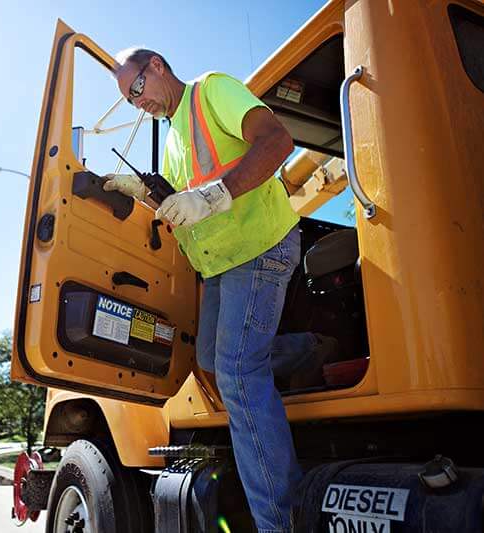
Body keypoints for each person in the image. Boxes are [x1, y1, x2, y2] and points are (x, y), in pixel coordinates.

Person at [105, 48, 337, 533]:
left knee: (235, 371)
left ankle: (281, 521)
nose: (137, 102)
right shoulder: (172, 141)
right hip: (221, 268)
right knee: (211, 363)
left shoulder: (211, 90)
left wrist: (214, 195)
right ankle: (310, 349)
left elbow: (277, 142)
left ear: (158, 67)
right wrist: (146, 194)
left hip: (258, 248)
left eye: (138, 88)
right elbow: (180, 203)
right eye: (129, 99)